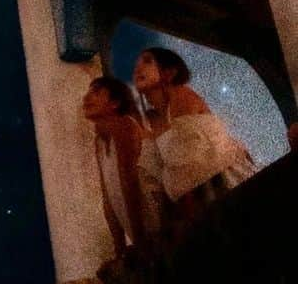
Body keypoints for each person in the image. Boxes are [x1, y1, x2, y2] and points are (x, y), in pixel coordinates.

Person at [132, 46, 257, 234]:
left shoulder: (182, 95)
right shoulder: (153, 118)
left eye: (148, 61)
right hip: (201, 202)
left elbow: (188, 166)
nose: (138, 67)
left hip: (228, 187)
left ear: (169, 72)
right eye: (138, 62)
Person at [82, 76, 158, 264]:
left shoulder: (123, 125)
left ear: (115, 103)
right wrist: (120, 251)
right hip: (142, 234)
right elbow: (108, 198)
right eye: (89, 92)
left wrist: (140, 243)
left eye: (96, 92)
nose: (86, 97)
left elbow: (130, 183)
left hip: (156, 228)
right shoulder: (99, 141)